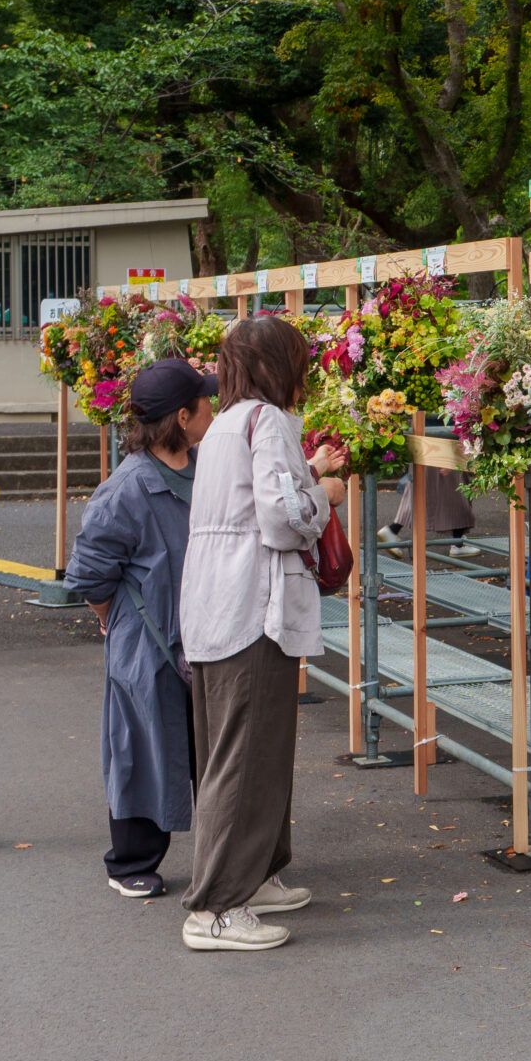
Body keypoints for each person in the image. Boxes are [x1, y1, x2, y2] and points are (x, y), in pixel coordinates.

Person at [177, 315, 343, 951]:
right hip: (253, 606)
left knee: (242, 751)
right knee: (246, 757)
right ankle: (216, 907)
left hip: (216, 601)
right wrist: (325, 494)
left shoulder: (225, 422)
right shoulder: (267, 420)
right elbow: (283, 517)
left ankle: (255, 877)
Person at [65, 360, 214, 900]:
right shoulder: (125, 488)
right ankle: (130, 861)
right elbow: (88, 575)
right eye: (204, 401)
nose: (212, 408)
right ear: (182, 416)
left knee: (206, 748)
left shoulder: (207, 466)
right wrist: (117, 619)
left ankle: (224, 858)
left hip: (205, 633)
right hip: (148, 643)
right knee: (142, 747)